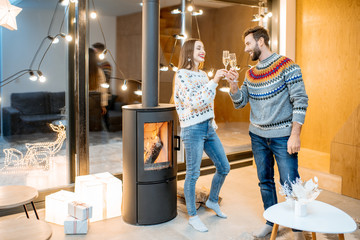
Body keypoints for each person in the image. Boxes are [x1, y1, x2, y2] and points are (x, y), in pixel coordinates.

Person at [226, 26, 308, 240]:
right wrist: (234, 87)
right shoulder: (250, 73)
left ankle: (298, 230)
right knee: (265, 181)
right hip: (257, 136)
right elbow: (240, 103)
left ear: (260, 41)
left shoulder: (287, 66)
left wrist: (295, 134)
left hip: (283, 136)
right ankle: (272, 222)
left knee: (291, 183)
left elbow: (300, 100)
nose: (246, 49)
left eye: (248, 44)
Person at [172, 39, 230, 232]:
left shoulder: (204, 75)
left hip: (207, 127)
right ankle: (192, 215)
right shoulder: (181, 75)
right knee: (193, 173)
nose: (203, 50)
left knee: (224, 166)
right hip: (192, 129)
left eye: (204, 47)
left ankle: (212, 201)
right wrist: (214, 82)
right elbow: (195, 102)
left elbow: (208, 101)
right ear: (189, 52)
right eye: (198, 48)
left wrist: (211, 122)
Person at [89, 48, 108, 116]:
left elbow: (103, 88)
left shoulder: (81, 71)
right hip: (95, 101)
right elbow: (103, 89)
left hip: (88, 102)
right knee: (96, 124)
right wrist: (103, 105)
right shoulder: (98, 71)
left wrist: (102, 105)